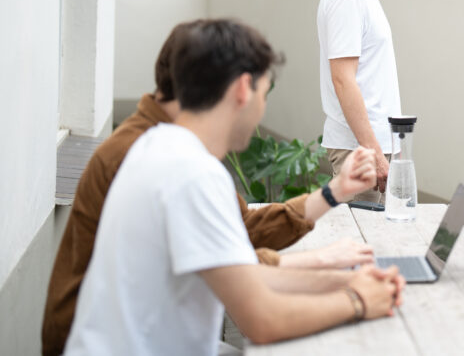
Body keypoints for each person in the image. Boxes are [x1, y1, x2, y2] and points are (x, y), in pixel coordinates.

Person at [64, 19, 403, 355]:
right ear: (243, 88)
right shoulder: (193, 174)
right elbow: (262, 319)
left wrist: (347, 281)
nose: (262, 108)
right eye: (264, 92)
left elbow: (246, 275)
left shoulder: (155, 146)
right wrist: (357, 301)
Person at [318, 0, 403, 203]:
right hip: (361, 153)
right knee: (362, 247)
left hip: (372, 149)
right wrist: (374, 152)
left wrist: (390, 145)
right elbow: (343, 80)